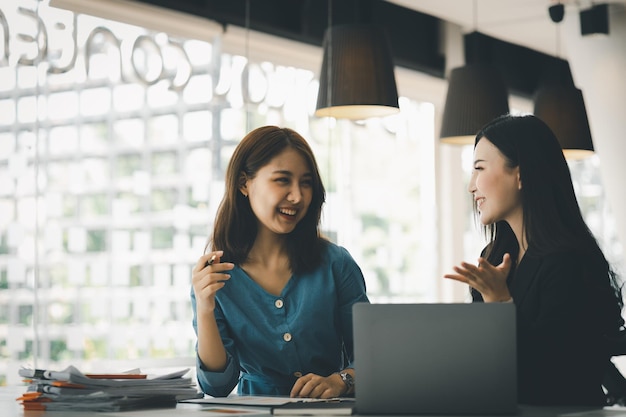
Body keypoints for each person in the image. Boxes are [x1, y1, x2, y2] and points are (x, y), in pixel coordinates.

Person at [444, 114, 624, 406]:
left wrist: (501, 303)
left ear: (520, 174)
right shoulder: (494, 259)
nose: (471, 186)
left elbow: (552, 376)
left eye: (479, 169)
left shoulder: (572, 261)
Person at [191, 126, 369, 398]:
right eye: (282, 180)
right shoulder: (214, 276)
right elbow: (217, 385)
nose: (297, 196)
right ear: (243, 184)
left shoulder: (336, 264)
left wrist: (341, 380)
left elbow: (371, 356)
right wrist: (204, 308)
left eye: (306, 182)